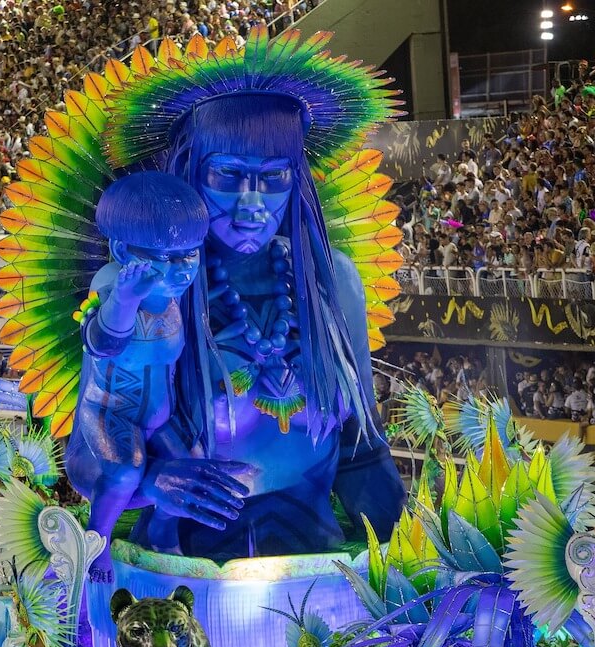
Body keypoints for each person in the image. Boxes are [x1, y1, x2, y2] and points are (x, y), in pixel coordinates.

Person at [62, 27, 406, 560]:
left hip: (320, 564)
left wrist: (423, 557)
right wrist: (153, 481)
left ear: (300, 181)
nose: (252, 207)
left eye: (274, 178)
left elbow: (360, 450)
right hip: (185, 575)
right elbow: (89, 454)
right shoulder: (151, 292)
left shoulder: (334, 284)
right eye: (228, 174)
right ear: (189, 171)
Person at [75, 172, 213, 581]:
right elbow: (102, 341)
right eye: (164, 257)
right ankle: (94, 543)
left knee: (194, 466)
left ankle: (161, 532)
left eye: (189, 255)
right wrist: (125, 299)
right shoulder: (112, 287)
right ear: (120, 249)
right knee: (124, 470)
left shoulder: (173, 295)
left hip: (158, 417)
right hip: (109, 413)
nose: (180, 269)